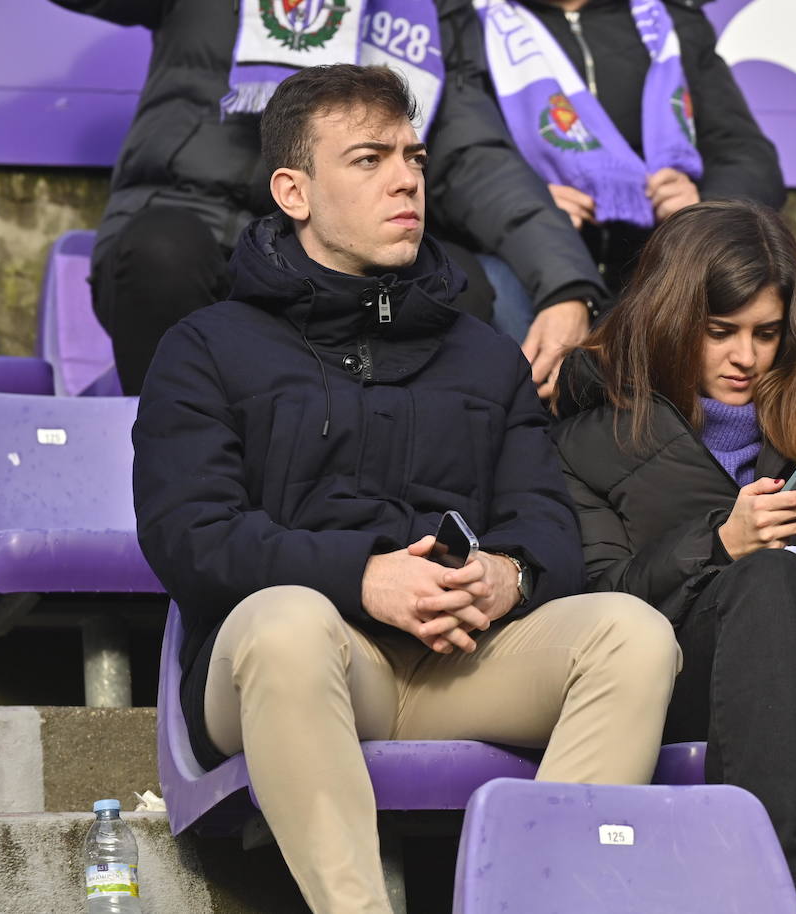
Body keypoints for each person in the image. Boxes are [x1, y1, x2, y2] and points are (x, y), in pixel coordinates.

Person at [132, 64, 679, 914]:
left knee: (632, 634)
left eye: (414, 158)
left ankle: (541, 902)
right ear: (294, 190)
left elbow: (546, 525)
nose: (405, 180)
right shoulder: (206, 346)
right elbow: (190, 537)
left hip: (460, 663)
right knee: (286, 625)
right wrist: (363, 576)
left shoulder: (484, 353)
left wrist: (511, 577)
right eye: (368, 159)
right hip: (300, 667)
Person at [552, 200, 796, 913]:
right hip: (694, 680)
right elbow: (589, 604)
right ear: (669, 318)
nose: (746, 358)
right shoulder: (589, 438)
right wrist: (719, 544)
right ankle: (785, 889)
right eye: (720, 333)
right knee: (770, 576)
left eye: (766, 334)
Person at [50, 0, 492, 394]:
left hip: (325, 253)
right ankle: (169, 452)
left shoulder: (435, 9)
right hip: (187, 235)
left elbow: (478, 153)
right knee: (163, 252)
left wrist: (560, 282)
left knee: (452, 280)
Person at [427, 0, 796, 398]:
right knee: (521, 339)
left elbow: (746, 153)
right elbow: (468, 163)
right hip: (524, 262)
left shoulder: (670, 19)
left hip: (654, 266)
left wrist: (701, 209)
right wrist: (562, 274)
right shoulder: (463, 18)